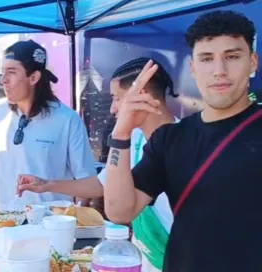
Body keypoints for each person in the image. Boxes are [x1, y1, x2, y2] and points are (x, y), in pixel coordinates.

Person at [104, 10, 261, 271]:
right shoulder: (171, 138)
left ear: (252, 62)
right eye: (207, 58)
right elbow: (120, 211)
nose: (219, 71)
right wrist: (120, 134)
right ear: (193, 67)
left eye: (232, 57)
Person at [17, 57, 179, 271]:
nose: (112, 109)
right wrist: (47, 184)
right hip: (147, 261)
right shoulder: (135, 140)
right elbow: (103, 185)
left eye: (117, 98)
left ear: (143, 95)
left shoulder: (185, 145)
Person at [0, 39, 97, 210]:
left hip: (46, 228)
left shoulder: (67, 120)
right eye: (3, 72)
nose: (3, 79)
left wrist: (48, 185)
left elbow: (90, 185)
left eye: (11, 72)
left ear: (33, 77)